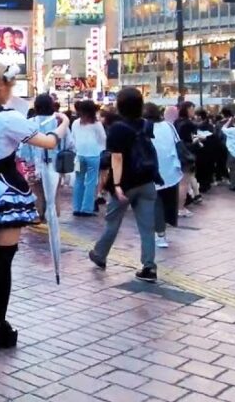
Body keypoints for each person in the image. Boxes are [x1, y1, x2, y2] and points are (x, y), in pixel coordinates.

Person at [0, 63, 68, 350]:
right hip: (6, 189)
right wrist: (63, 124)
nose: (13, 89)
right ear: (1, 85)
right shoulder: (8, 118)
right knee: (3, 260)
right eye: (11, 83)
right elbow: (48, 143)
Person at [89, 87, 162, 282]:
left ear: (120, 105)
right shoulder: (146, 124)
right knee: (147, 227)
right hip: (147, 181)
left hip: (126, 184)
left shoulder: (118, 129)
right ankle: (149, 267)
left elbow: (117, 159)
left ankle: (100, 254)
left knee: (113, 221)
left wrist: (118, 184)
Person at [20, 94, 64, 224]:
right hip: (56, 163)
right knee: (54, 191)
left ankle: (38, 214)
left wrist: (27, 161)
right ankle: (53, 214)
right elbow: (68, 143)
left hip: (35, 162)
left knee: (36, 191)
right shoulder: (59, 122)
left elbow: (25, 144)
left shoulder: (30, 122)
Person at [145, 103, 183, 249]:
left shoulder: (143, 128)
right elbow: (178, 144)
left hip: (152, 169)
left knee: (156, 202)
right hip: (171, 168)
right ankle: (164, 229)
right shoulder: (169, 126)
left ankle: (160, 234)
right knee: (167, 199)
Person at [71, 101, 106, 217]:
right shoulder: (97, 124)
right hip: (93, 156)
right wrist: (100, 150)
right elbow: (103, 139)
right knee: (91, 182)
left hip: (78, 156)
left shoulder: (75, 123)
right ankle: (87, 209)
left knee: (78, 180)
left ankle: (76, 207)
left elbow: (73, 139)